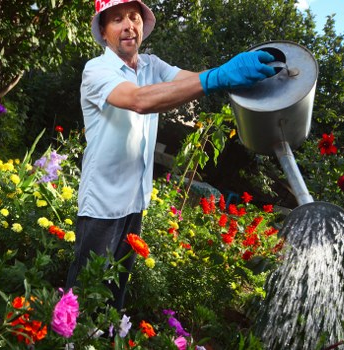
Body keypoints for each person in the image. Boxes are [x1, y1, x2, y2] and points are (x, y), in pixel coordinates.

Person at [65, 0, 275, 311]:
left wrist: (230, 72)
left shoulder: (152, 66)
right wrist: (217, 78)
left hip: (134, 202)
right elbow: (138, 100)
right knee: (84, 297)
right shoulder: (97, 69)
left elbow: (189, 81)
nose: (127, 25)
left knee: (112, 298)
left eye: (134, 17)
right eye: (117, 19)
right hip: (102, 204)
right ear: (104, 31)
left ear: (142, 26)